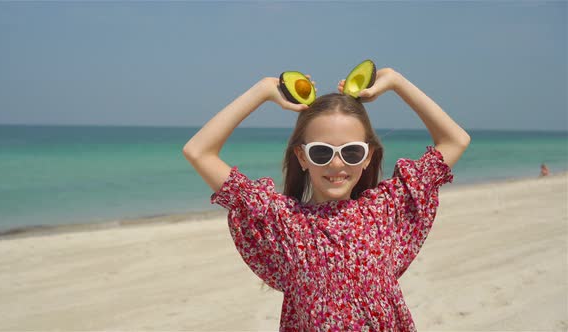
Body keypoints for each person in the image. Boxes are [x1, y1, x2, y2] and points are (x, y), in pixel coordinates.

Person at [183, 67, 471, 331]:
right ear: (302, 157)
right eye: (321, 152)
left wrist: (395, 81)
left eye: (351, 152)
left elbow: (455, 140)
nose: (336, 164)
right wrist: (263, 90)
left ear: (368, 157)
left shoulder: (386, 209)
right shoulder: (282, 221)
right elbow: (199, 151)